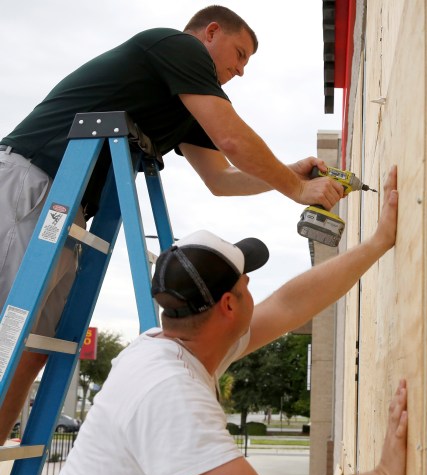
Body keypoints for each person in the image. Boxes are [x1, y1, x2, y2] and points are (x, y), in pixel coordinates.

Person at [0, 5, 345, 443]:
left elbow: (220, 179)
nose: (240, 71)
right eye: (239, 54)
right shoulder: (176, 46)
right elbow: (233, 139)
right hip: (31, 183)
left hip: (69, 211)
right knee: (6, 336)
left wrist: (288, 173)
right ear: (211, 33)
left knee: (33, 353)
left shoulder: (182, 104)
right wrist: (296, 192)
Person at [44, 166, 406, 475]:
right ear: (229, 305)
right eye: (244, 281)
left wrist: (378, 243)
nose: (251, 285)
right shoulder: (169, 389)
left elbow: (289, 304)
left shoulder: (171, 347)